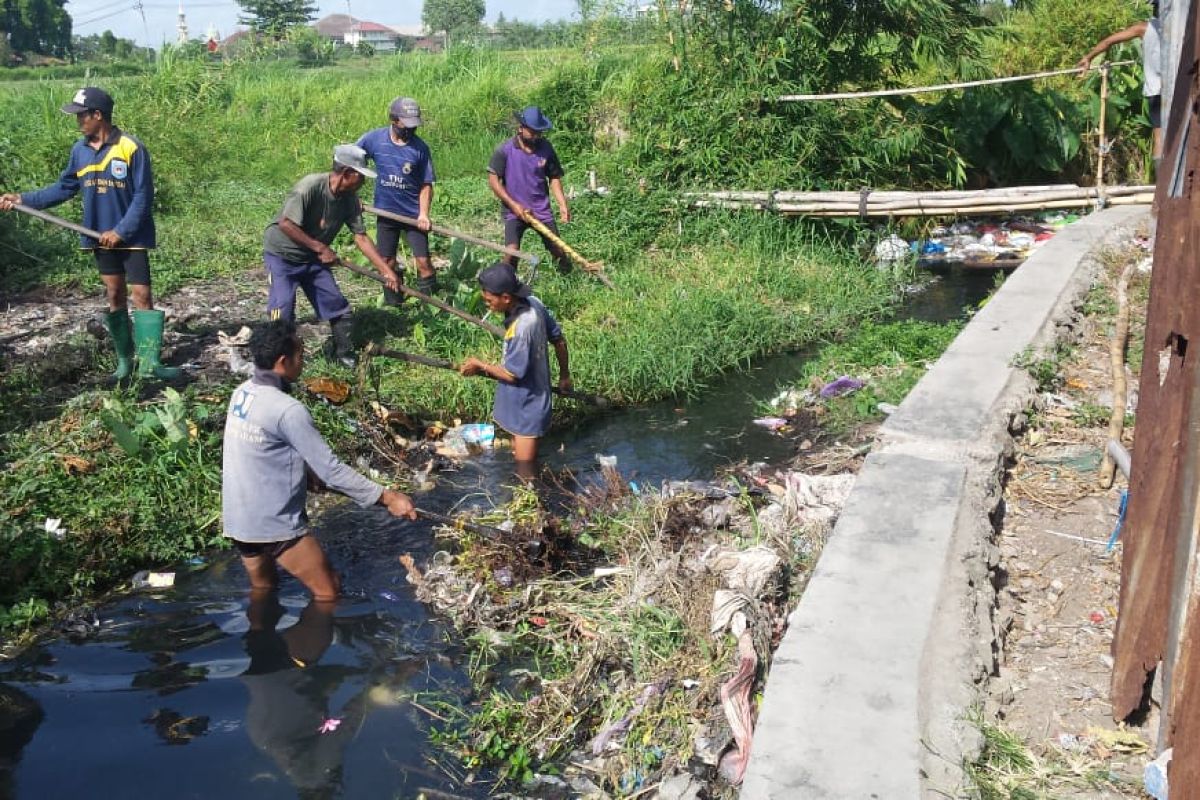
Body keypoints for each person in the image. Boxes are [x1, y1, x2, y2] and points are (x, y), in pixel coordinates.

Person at [222, 319, 417, 600]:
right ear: (282, 361)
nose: (303, 362)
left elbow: (261, 451)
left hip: (239, 520)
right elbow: (332, 472)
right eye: (300, 356)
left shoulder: (242, 393)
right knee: (329, 592)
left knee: (264, 591)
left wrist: (305, 472)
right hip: (273, 524)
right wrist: (388, 497)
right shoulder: (287, 410)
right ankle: (303, 644)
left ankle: (260, 641)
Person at [0, 86, 178, 381]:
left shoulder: (131, 147)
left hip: (131, 237)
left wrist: (121, 231)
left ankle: (151, 365)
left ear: (98, 115)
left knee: (142, 295)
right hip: (96, 234)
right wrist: (23, 198)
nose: (78, 121)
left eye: (82, 115)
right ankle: (125, 363)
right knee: (114, 294)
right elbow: (64, 188)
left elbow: (143, 197)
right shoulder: (79, 151)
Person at [262, 143, 400, 367]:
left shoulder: (349, 199)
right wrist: (320, 247)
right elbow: (285, 224)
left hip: (312, 259)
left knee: (337, 306)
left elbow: (361, 237)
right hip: (283, 256)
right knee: (283, 308)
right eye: (361, 176)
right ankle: (278, 362)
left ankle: (343, 354)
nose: (363, 182)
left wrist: (387, 272)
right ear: (346, 173)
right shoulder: (308, 188)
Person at [459, 263, 570, 478]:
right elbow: (559, 340)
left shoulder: (522, 328)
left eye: (490, 301)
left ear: (507, 298)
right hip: (520, 402)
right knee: (516, 457)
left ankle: (537, 505)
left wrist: (480, 365)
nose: (488, 305)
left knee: (525, 469)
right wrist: (564, 376)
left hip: (527, 407)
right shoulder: (534, 303)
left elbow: (512, 374)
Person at [356, 97, 439, 300]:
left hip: (412, 215)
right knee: (387, 262)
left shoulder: (420, 149)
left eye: (414, 126)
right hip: (386, 212)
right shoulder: (374, 139)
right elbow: (351, 160)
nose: (411, 130)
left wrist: (423, 214)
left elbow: (426, 184)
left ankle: (432, 308)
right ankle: (395, 307)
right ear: (393, 120)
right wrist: (352, 196)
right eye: (406, 126)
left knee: (423, 263)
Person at [487, 106, 573, 274]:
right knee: (511, 251)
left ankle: (567, 276)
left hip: (540, 209)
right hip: (514, 210)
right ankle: (506, 284)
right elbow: (493, 180)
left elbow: (554, 177)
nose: (536, 137)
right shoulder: (505, 150)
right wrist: (514, 205)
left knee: (556, 247)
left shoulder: (546, 148)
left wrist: (562, 205)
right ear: (521, 128)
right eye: (532, 132)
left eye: (539, 133)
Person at [1078, 2, 1163, 159]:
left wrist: (1088, 57)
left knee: (1160, 138)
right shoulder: (1180, 30)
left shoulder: (1143, 28)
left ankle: (1162, 182)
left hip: (1155, 91)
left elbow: (1108, 42)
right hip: (1175, 92)